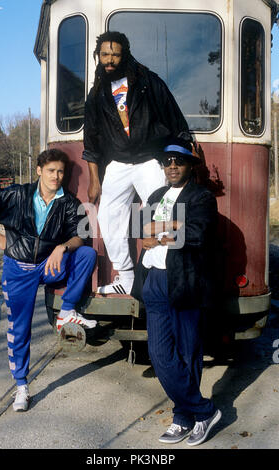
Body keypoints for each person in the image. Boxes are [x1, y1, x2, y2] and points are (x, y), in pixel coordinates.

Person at [0, 149, 97, 412]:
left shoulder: (68, 202)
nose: (56, 176)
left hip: (48, 265)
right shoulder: (16, 194)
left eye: (60, 172)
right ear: (38, 171)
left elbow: (81, 236)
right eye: (51, 171)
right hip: (18, 269)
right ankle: (21, 386)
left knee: (86, 255)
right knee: (19, 328)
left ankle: (66, 311)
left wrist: (63, 247)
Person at [83, 31, 191, 295]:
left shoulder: (147, 82)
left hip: (147, 159)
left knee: (164, 213)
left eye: (115, 55)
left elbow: (173, 116)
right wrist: (95, 180)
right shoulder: (97, 93)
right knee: (108, 216)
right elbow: (92, 140)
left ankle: (166, 274)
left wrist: (179, 149)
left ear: (124, 55)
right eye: (105, 54)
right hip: (118, 163)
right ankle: (127, 277)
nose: (109, 60)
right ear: (99, 55)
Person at [131, 137, 222, 446]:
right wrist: (163, 231)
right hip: (154, 279)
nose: (172, 166)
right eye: (167, 161)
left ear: (189, 166)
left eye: (178, 161)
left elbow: (197, 234)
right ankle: (203, 410)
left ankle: (184, 417)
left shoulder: (201, 198)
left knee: (188, 351)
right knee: (159, 354)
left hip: (184, 280)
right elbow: (140, 230)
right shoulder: (156, 195)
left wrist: (157, 234)